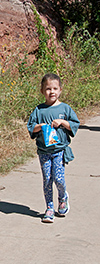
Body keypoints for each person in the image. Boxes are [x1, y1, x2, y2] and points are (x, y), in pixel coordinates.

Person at [27, 73, 80, 223]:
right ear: (42, 91)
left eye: (55, 88)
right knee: (47, 180)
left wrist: (62, 122)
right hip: (44, 151)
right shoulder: (39, 110)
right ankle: (49, 208)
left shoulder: (65, 108)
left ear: (60, 90)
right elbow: (31, 127)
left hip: (59, 151)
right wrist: (40, 126)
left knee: (58, 178)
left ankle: (63, 197)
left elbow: (74, 125)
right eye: (48, 89)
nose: (52, 92)